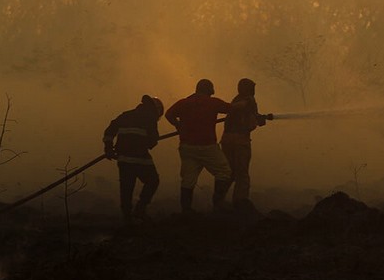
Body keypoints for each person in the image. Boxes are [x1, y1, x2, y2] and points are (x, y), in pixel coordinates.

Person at [165, 78, 233, 213]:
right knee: (224, 172)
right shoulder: (213, 102)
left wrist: (178, 126)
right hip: (207, 146)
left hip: (187, 147)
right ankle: (218, 204)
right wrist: (244, 104)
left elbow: (169, 114)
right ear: (208, 89)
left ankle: (186, 210)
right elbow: (231, 109)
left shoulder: (184, 103)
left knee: (188, 180)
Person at [103, 95, 164, 222]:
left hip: (124, 159)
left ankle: (127, 217)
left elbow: (109, 131)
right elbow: (152, 142)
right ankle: (140, 209)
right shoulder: (150, 118)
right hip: (141, 159)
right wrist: (150, 141)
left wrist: (108, 148)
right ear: (156, 110)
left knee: (126, 188)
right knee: (153, 181)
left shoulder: (125, 115)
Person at [220, 77, 272, 213]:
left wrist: (259, 117)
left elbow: (246, 117)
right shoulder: (249, 101)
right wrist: (258, 120)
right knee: (242, 174)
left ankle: (218, 200)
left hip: (226, 140)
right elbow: (249, 123)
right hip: (240, 141)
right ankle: (240, 204)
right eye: (252, 88)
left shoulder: (236, 100)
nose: (254, 91)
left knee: (229, 173)